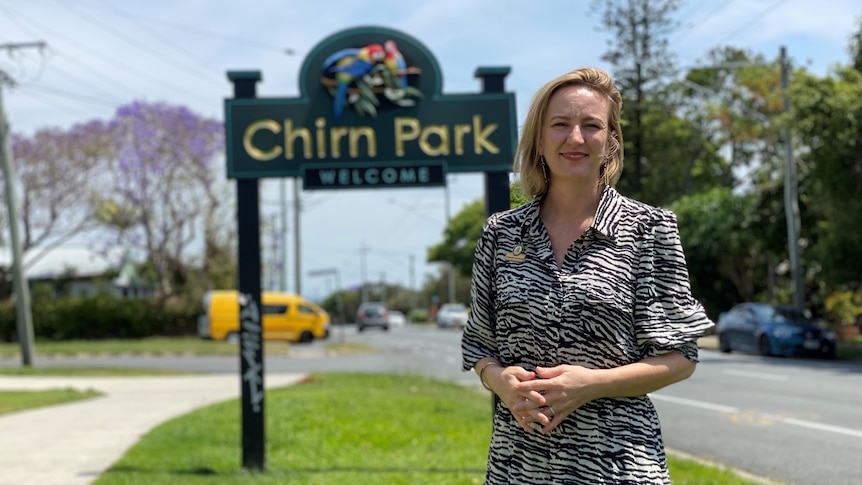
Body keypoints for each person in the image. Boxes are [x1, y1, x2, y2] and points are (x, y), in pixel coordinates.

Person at [461, 67, 715, 484]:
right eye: (560, 124)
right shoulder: (500, 233)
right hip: (518, 466)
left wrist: (590, 384)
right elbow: (480, 348)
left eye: (591, 125)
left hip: (620, 466)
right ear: (539, 139)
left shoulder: (650, 229)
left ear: (610, 140)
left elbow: (681, 359)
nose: (575, 138)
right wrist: (501, 381)